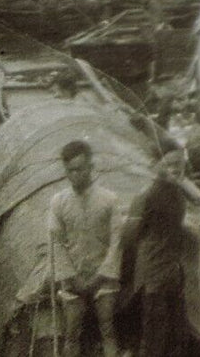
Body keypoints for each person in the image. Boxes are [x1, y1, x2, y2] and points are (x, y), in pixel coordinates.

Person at [49, 139, 124, 357]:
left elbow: (116, 242)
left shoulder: (109, 200)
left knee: (108, 330)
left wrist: (100, 277)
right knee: (71, 334)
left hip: (104, 278)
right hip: (73, 280)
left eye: (80, 169)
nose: (75, 175)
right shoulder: (58, 202)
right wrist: (74, 278)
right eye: (70, 170)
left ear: (91, 167)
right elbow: (57, 243)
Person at [121, 149, 188, 357]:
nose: (175, 168)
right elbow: (131, 235)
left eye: (179, 163)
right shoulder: (147, 195)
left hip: (171, 270)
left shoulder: (179, 195)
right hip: (153, 271)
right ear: (158, 165)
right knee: (154, 328)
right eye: (170, 163)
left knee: (174, 327)